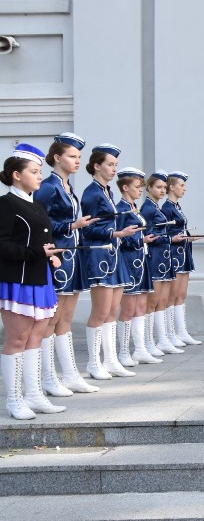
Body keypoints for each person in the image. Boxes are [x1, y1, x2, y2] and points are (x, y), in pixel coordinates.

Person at [0, 144, 66, 419]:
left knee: (37, 336)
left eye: (40, 172)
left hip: (41, 278)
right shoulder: (6, 204)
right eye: (34, 172)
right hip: (18, 280)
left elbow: (43, 239)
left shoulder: (36, 203)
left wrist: (52, 255)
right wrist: (37, 252)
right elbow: (2, 245)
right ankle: (14, 400)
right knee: (17, 339)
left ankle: (34, 395)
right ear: (16, 174)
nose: (40, 177)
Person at [33, 133, 100, 394]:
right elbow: (40, 222)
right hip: (58, 259)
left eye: (79, 157)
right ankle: (49, 378)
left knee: (66, 319)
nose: (76, 161)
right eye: (72, 156)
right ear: (57, 157)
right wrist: (73, 225)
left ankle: (70, 374)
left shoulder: (67, 186)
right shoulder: (49, 186)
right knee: (52, 318)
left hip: (72, 258)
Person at [80, 144, 139, 380]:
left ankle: (111, 360)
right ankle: (94, 363)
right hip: (99, 255)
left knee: (113, 310)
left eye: (115, 164)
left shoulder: (107, 192)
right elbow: (89, 230)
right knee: (101, 311)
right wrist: (117, 234)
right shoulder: (92, 193)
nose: (114, 169)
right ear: (97, 166)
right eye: (110, 164)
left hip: (112, 254)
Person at [114, 167, 161, 365]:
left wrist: (143, 240)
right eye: (137, 186)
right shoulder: (122, 209)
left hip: (141, 260)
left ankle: (140, 349)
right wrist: (140, 240)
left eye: (141, 186)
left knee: (141, 305)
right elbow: (120, 238)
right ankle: (124, 352)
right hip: (129, 260)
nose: (140, 190)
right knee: (128, 308)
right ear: (125, 187)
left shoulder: (133, 207)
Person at [140, 170, 183, 355]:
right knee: (152, 302)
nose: (162, 190)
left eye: (164, 187)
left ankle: (163, 339)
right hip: (155, 257)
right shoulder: (148, 208)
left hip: (164, 258)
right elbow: (148, 234)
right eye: (158, 187)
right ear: (148, 187)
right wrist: (169, 239)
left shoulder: (156, 207)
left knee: (163, 301)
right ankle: (149, 343)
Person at [162, 171, 201, 345]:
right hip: (173, 255)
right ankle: (170, 334)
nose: (184, 189)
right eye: (181, 185)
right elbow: (166, 233)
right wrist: (179, 238)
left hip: (183, 253)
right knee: (172, 295)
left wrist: (189, 237)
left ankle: (181, 331)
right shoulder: (167, 208)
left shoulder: (176, 207)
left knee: (181, 294)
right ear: (172, 187)